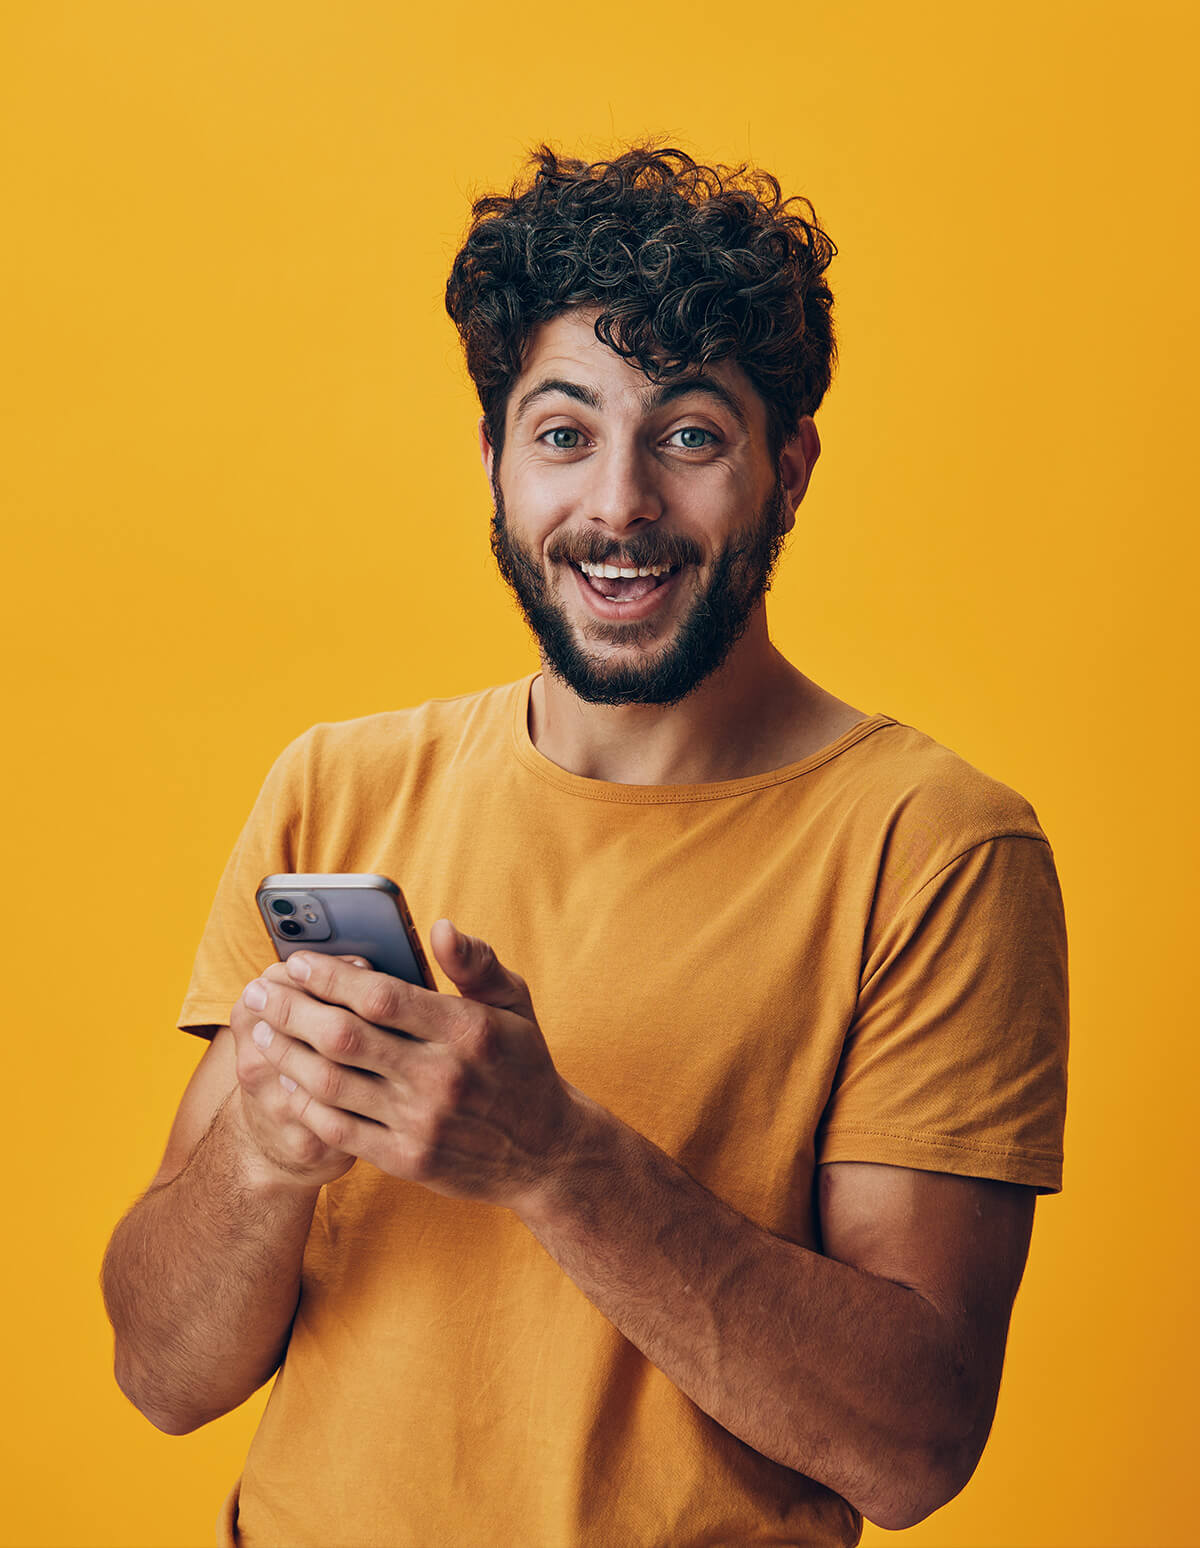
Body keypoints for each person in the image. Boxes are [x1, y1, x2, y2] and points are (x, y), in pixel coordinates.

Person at [101, 145, 1069, 1548]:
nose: (618, 508)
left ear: (787, 470)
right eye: (564, 434)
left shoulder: (936, 850)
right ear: (493, 461)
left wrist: (555, 1159)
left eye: (688, 435)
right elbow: (158, 1374)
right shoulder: (336, 786)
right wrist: (261, 1147)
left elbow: (913, 1445)